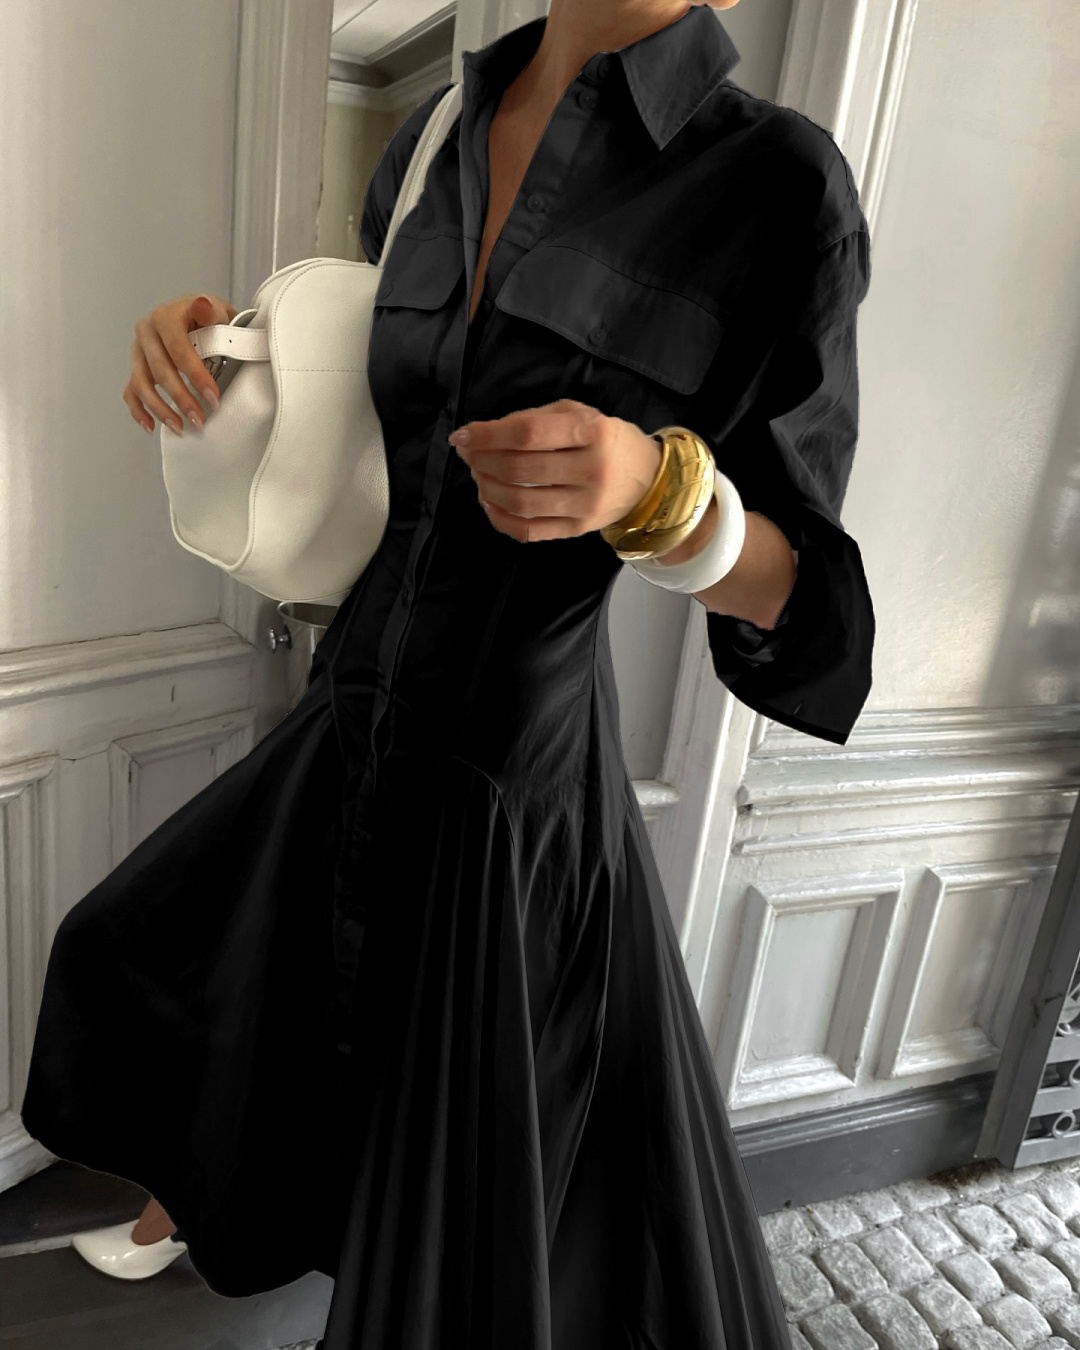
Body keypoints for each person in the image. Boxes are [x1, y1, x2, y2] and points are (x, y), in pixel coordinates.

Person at [20, 0, 874, 1344]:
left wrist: (664, 497)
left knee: (455, 1242)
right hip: (352, 714)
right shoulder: (431, 138)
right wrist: (219, 359)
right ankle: (206, 1198)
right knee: (153, 961)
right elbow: (378, 435)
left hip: (511, 786)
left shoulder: (775, 183)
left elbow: (819, 618)